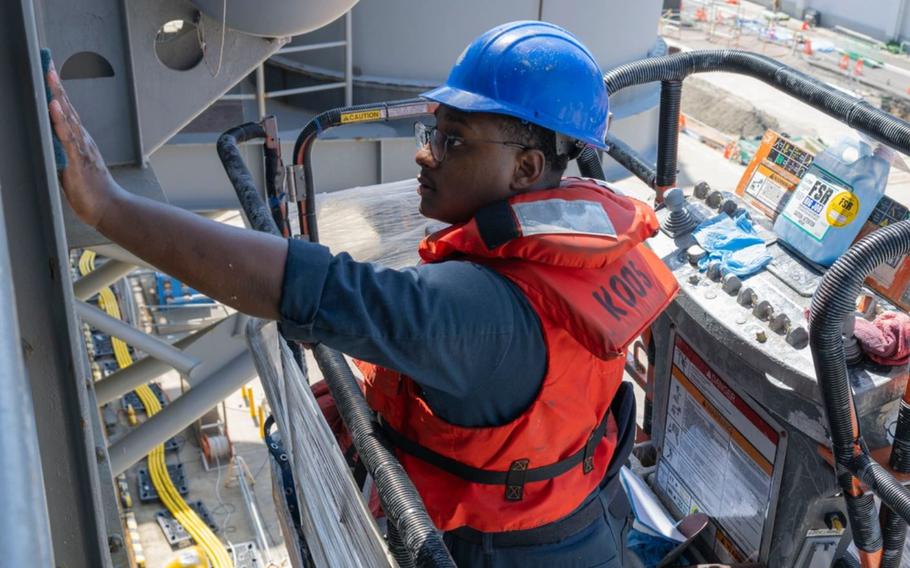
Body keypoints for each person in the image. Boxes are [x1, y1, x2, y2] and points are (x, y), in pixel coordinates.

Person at [48, 20, 677, 567]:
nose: (425, 156)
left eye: (453, 140)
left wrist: (108, 207)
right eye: (431, 133)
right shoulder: (585, 246)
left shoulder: (479, 313)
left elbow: (303, 285)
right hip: (582, 518)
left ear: (527, 169)